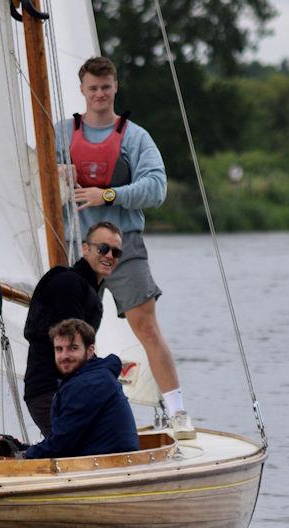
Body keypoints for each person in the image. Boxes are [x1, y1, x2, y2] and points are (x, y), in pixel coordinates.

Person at [55, 55, 195, 439]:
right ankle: (68, 414)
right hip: (78, 249)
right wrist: (56, 174)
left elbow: (157, 188)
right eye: (92, 88)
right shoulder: (60, 133)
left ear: (114, 88)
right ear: (82, 90)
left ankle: (179, 413)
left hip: (123, 245)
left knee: (146, 326)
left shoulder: (135, 137)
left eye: (106, 87)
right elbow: (33, 180)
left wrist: (109, 194)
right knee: (67, 335)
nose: (99, 94)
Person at [24, 221, 123, 436]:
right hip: (50, 391)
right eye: (103, 248)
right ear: (85, 248)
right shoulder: (68, 283)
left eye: (116, 252)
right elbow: (73, 344)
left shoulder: (86, 288)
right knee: (79, 451)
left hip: (66, 389)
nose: (109, 256)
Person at [0, 318, 138, 460]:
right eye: (59, 349)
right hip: (102, 461)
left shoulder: (88, 384)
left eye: (73, 348)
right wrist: (23, 448)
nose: (64, 356)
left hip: (106, 467)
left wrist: (22, 454)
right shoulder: (92, 376)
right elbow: (68, 442)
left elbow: (61, 445)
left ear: (90, 350)